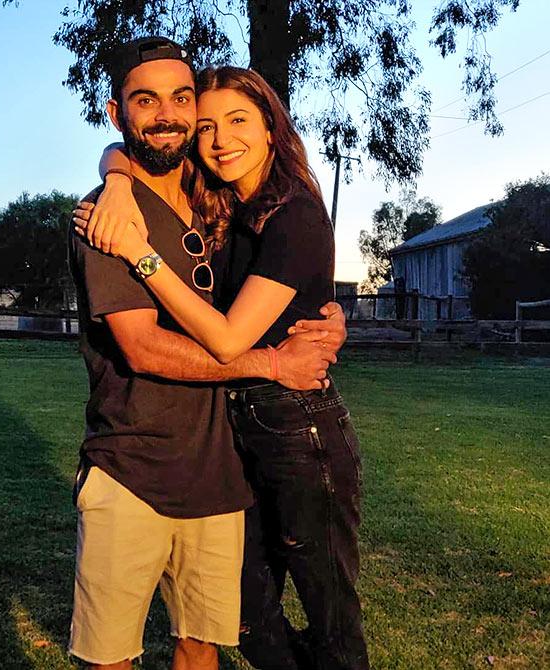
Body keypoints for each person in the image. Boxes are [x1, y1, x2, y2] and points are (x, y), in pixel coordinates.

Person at [75, 63, 369, 670]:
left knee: (329, 615)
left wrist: (141, 255)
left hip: (296, 430)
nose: (219, 139)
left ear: (271, 127)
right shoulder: (215, 208)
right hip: (233, 437)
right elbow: (133, 148)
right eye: (206, 124)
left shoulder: (294, 214)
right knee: (250, 619)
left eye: (238, 120)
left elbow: (232, 338)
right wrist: (115, 179)